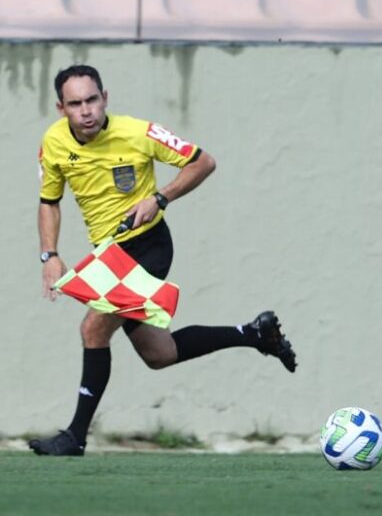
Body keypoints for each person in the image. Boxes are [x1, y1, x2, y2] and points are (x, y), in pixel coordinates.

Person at [30, 65, 297, 457]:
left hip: (146, 246)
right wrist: (49, 254)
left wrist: (160, 198)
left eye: (92, 99)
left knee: (93, 329)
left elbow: (203, 161)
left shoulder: (139, 133)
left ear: (105, 97)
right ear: (61, 108)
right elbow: (49, 202)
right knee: (160, 354)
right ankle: (255, 334)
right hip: (110, 256)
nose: (86, 110)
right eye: (75, 103)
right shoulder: (53, 143)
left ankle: (75, 436)